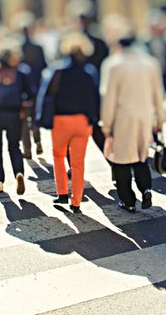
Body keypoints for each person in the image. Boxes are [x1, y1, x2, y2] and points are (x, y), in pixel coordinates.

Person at [101, 25, 166, 212]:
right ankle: (146, 189)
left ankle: (128, 200)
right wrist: (160, 118)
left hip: (123, 118)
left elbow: (109, 97)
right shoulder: (150, 63)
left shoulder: (113, 64)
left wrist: (106, 123)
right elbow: (158, 94)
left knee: (121, 161)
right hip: (145, 117)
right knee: (141, 157)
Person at [38, 32, 99, 213]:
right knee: (78, 162)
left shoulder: (57, 71)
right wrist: (92, 119)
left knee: (58, 156)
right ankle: (76, 202)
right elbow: (94, 98)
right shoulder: (89, 72)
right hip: (81, 122)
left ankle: (62, 194)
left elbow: (47, 94)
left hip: (61, 120)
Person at [0, 40, 33, 194]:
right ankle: (19, 173)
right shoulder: (22, 72)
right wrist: (23, 101)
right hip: (15, 114)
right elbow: (30, 93)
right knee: (14, 146)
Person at [13, 12, 47, 159]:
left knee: (23, 121)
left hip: (22, 89)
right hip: (37, 87)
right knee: (34, 117)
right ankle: (38, 141)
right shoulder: (38, 47)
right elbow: (45, 66)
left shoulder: (17, 48)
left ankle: (27, 150)